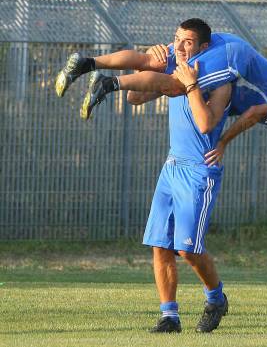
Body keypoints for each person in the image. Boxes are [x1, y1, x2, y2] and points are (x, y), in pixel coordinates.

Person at [59, 18, 233, 333]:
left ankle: (217, 297)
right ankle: (169, 316)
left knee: (188, 248)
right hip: (172, 166)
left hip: (199, 170)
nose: (180, 46)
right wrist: (149, 66)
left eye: (189, 42)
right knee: (160, 245)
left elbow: (206, 124)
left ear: (204, 47)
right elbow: (135, 98)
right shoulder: (171, 69)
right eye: (177, 39)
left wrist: (190, 84)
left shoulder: (220, 79)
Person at [55, 33, 267, 159]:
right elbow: (251, 114)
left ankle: (87, 63)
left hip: (223, 51)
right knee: (180, 85)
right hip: (231, 56)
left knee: (140, 86)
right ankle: (106, 83)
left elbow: (239, 105)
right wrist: (224, 143)